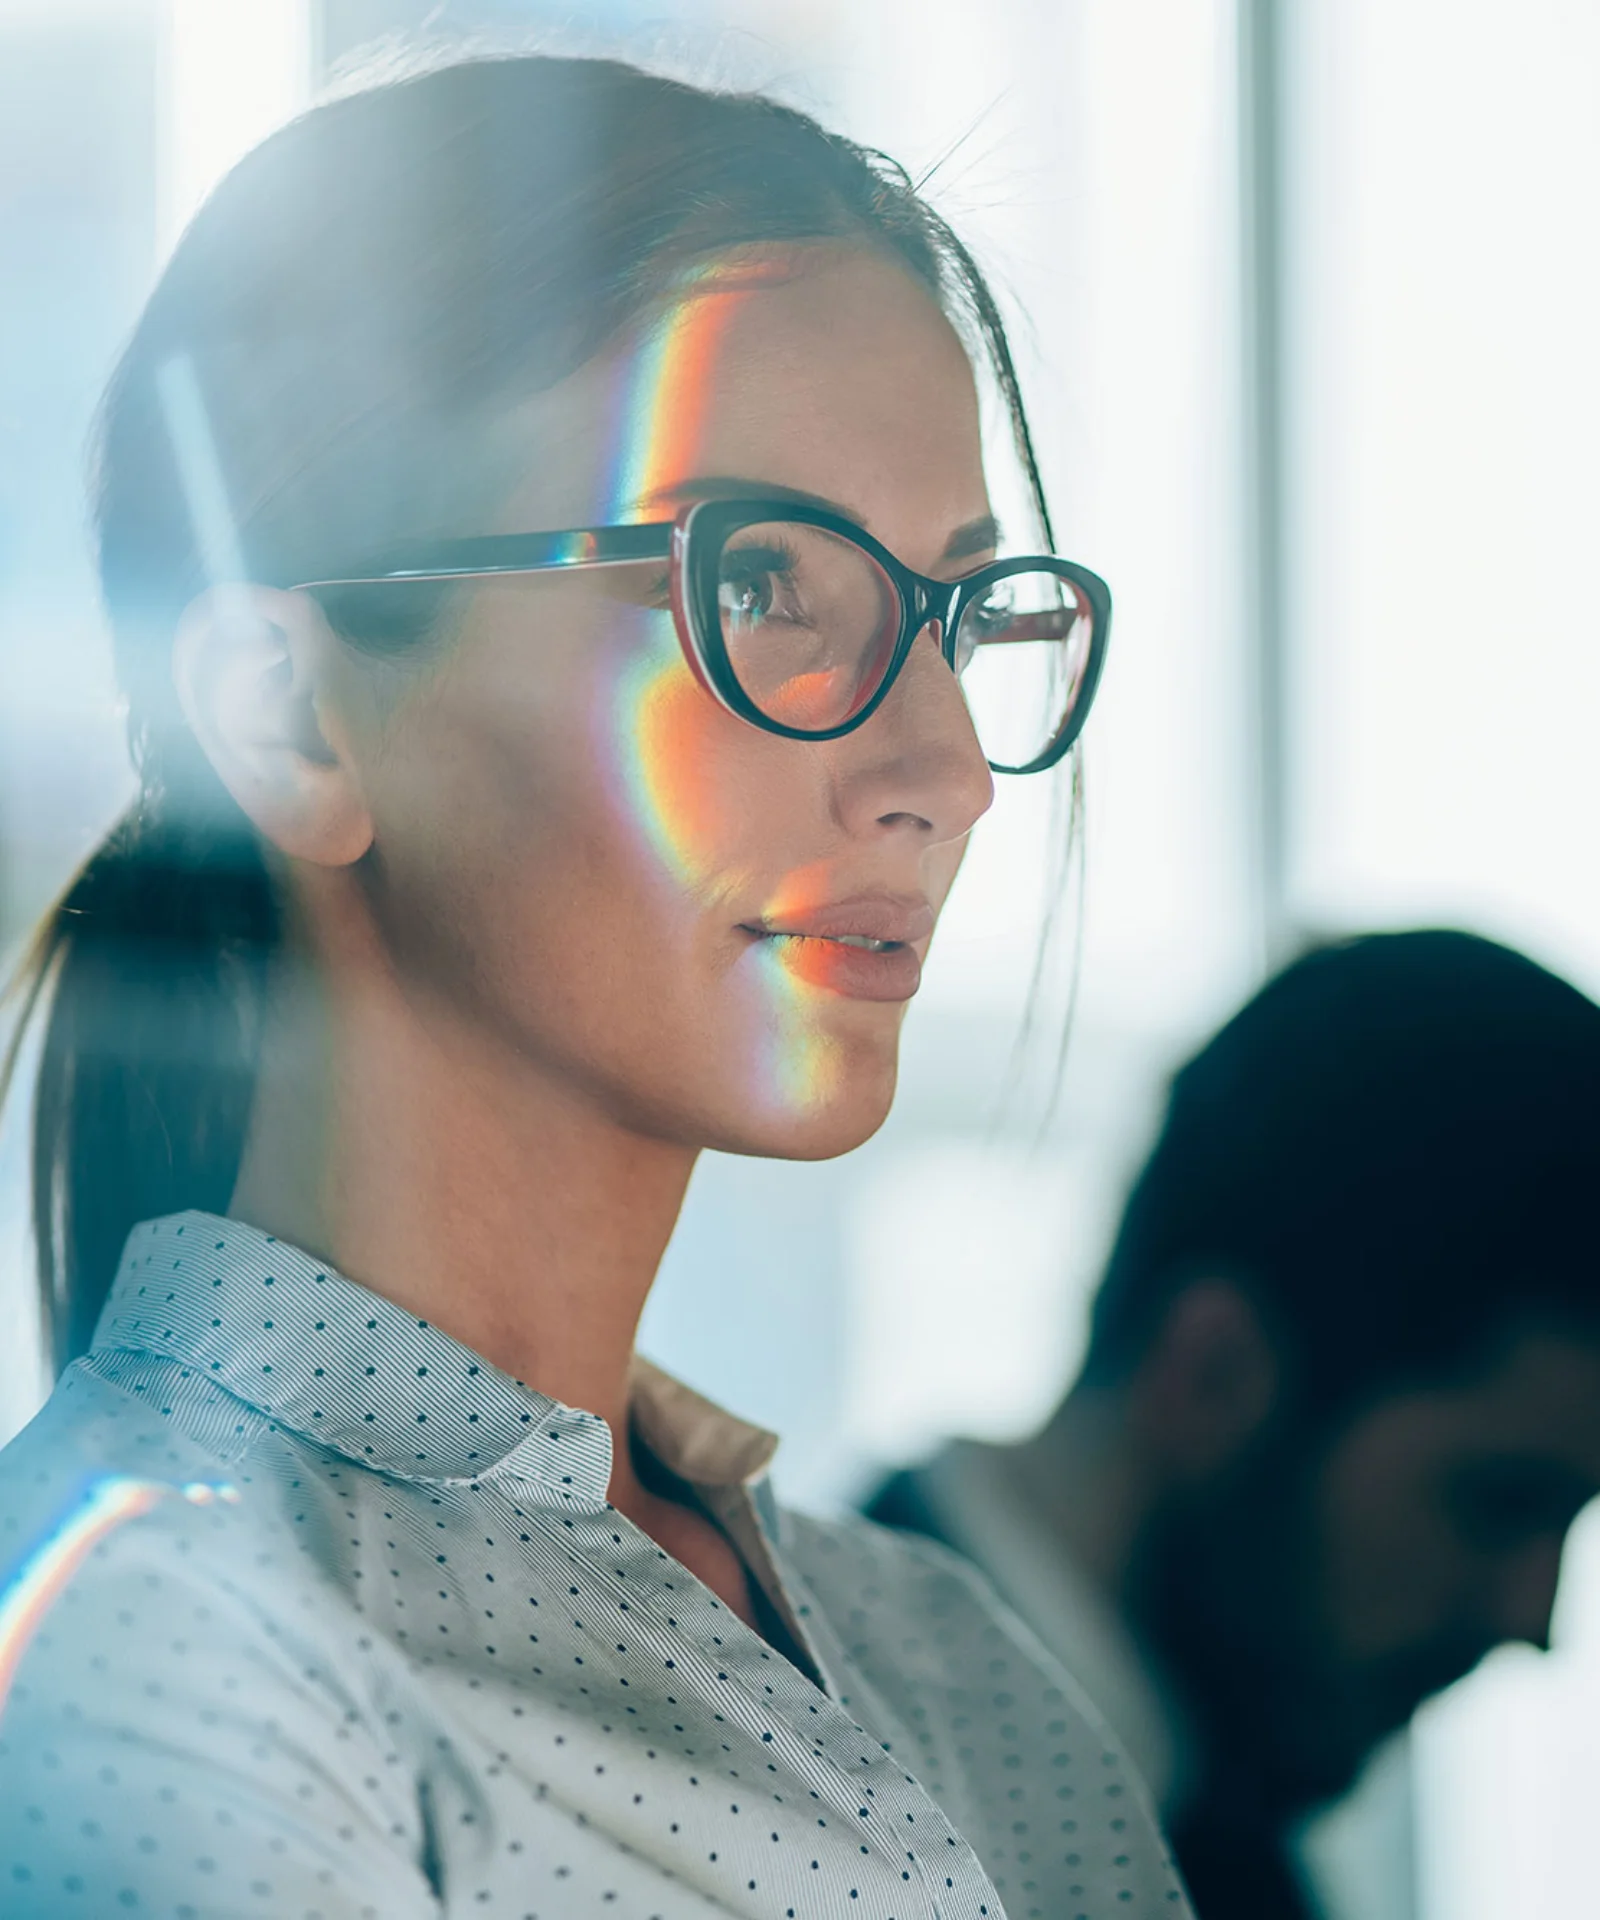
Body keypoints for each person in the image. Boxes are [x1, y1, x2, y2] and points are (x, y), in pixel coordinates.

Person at [0, 51, 1188, 1920]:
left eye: (959, 610)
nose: (946, 770)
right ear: (294, 715)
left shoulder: (954, 1665)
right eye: (765, 583)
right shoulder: (157, 1655)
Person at [866, 928, 1600, 1920]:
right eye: (1497, 1503)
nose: (1530, 1617)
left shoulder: (1201, 1827)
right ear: (1212, 1377)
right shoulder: (781, 1780)